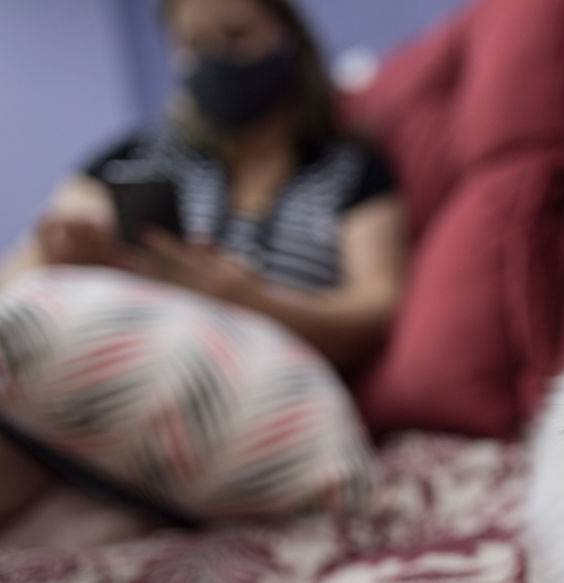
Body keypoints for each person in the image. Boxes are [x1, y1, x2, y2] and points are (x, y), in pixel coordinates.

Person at [0, 0, 406, 543]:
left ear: (289, 38)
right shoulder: (135, 156)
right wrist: (72, 260)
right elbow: (24, 271)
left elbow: (375, 306)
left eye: (236, 36)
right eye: (192, 46)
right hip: (88, 403)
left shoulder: (350, 171)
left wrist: (251, 297)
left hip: (254, 408)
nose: (215, 62)